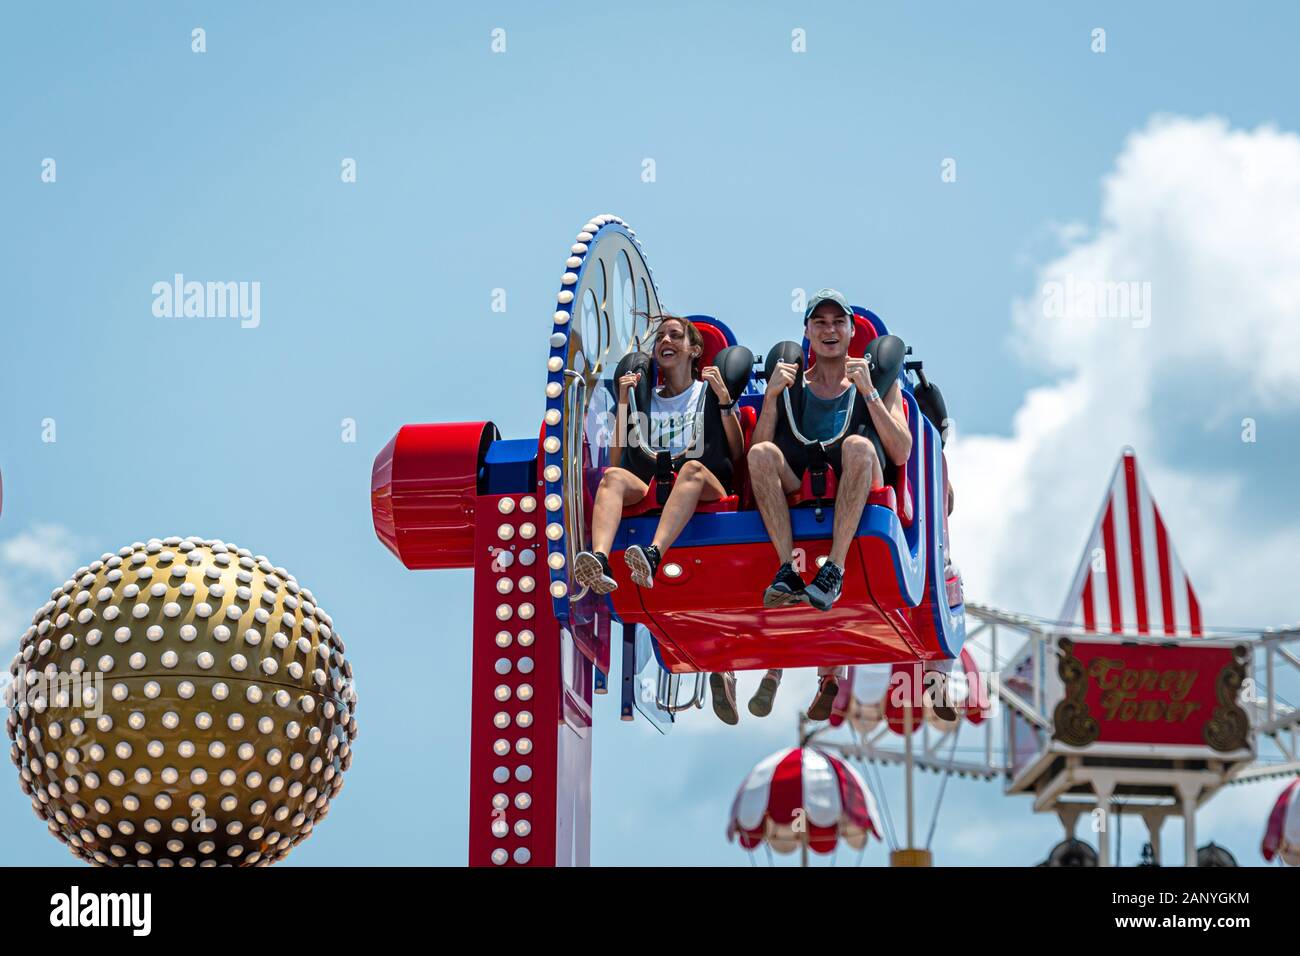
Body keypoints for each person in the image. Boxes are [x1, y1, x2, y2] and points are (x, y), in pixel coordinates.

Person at [713, 289, 913, 723]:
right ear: (806, 332)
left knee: (860, 445)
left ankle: (834, 569)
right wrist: (770, 397)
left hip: (861, 478)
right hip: (800, 482)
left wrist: (871, 395)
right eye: (819, 323)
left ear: (851, 331)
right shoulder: (792, 387)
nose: (829, 330)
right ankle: (786, 569)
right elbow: (758, 451)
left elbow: (900, 452)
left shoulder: (877, 381)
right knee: (763, 455)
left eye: (837, 322)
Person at [573, 314, 745, 594]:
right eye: (661, 337)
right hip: (654, 483)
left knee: (691, 471)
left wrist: (725, 401)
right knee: (612, 477)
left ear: (695, 350)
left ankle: (653, 554)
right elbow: (616, 463)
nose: (666, 340)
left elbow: (738, 453)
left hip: (705, 484)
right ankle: (600, 561)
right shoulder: (645, 399)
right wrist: (624, 402)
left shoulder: (709, 392)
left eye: (676, 336)